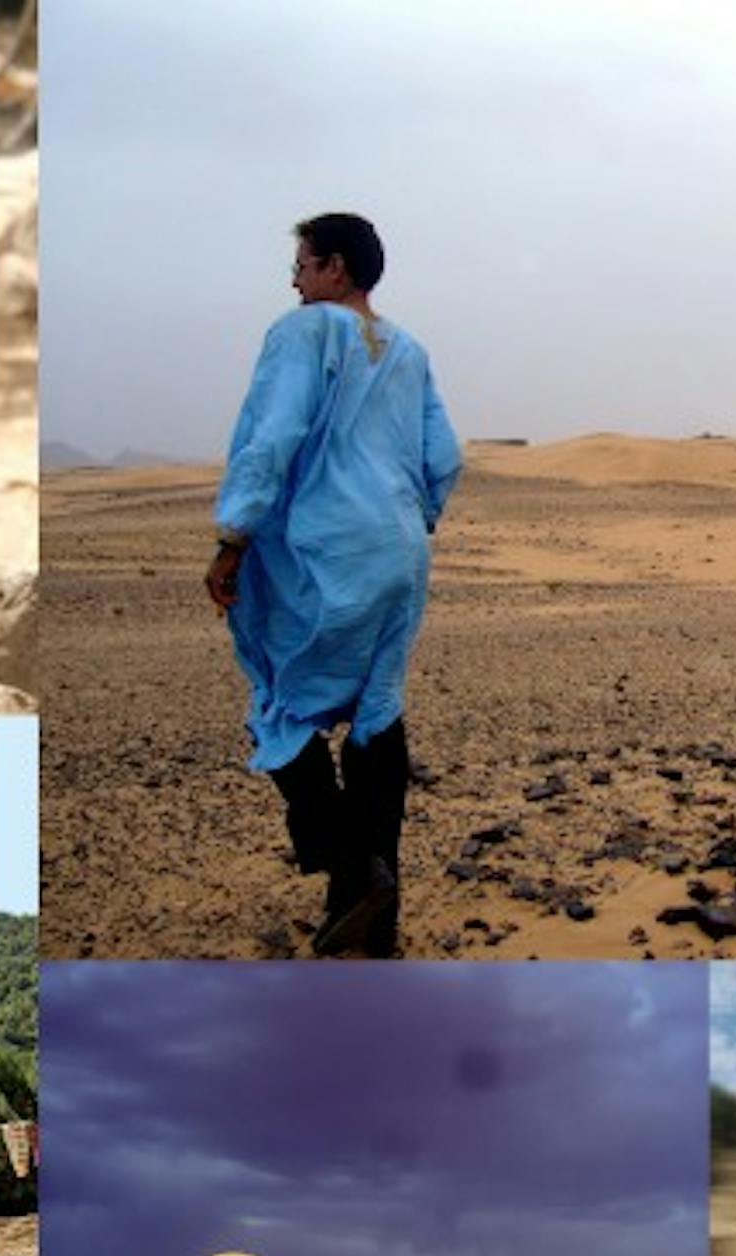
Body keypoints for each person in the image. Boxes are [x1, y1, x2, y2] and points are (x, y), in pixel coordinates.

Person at [205, 212, 462, 957]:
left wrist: (233, 536)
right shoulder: (407, 349)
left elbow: (273, 435)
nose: (294, 279)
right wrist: (416, 519)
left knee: (279, 709)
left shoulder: (304, 334)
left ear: (336, 269)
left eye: (303, 264)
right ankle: (370, 912)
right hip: (400, 549)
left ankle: (353, 866)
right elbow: (443, 455)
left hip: (325, 553)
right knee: (378, 713)